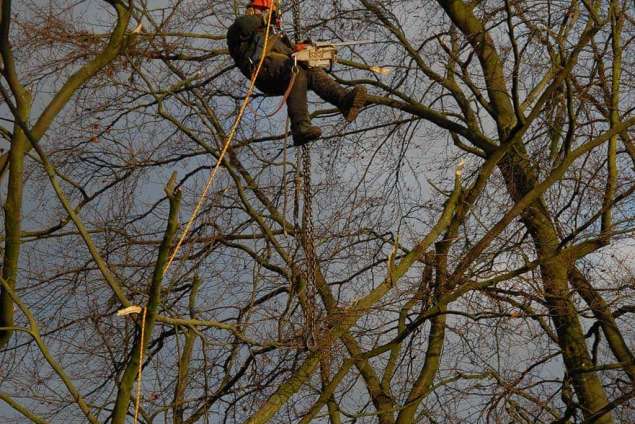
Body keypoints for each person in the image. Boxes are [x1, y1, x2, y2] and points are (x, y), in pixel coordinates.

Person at [226, 0, 367, 146]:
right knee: (295, 70)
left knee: (311, 70)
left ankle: (343, 100)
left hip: (281, 70)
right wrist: (264, 18)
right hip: (262, 69)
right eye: (262, 10)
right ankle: (300, 127)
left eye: (266, 11)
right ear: (252, 10)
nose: (265, 14)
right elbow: (244, 26)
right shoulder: (238, 29)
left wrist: (303, 50)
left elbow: (291, 52)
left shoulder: (275, 36)